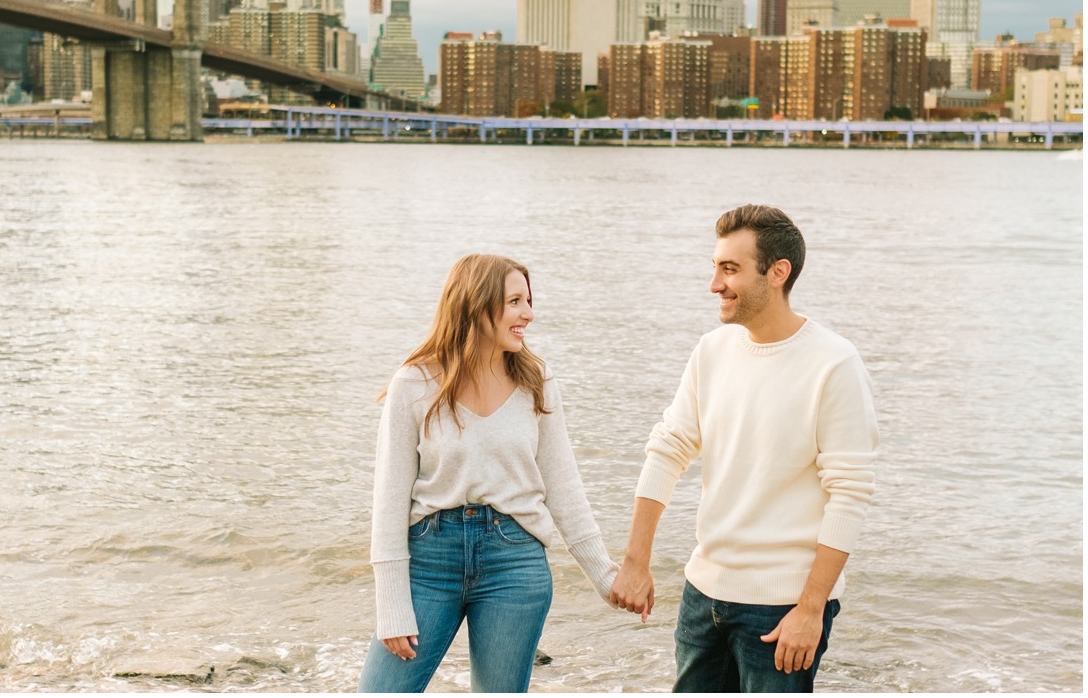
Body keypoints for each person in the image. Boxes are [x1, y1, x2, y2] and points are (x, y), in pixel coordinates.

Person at [610, 204, 879, 694]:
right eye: (715, 267)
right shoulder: (712, 351)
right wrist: (636, 560)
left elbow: (850, 493)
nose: (715, 284)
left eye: (730, 269)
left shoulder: (834, 363)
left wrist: (811, 609)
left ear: (778, 273)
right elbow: (669, 449)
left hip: (782, 609)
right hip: (702, 595)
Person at [360, 254, 619, 694]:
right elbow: (388, 499)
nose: (528, 314)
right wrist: (392, 605)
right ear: (475, 305)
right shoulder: (415, 383)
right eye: (515, 301)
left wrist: (606, 578)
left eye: (528, 301)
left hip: (514, 562)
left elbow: (563, 487)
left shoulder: (536, 380)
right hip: (429, 561)